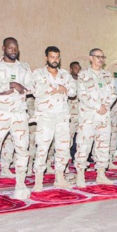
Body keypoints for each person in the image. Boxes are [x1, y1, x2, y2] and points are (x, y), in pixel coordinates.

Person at [0, 37, 33, 199]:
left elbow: (31, 87)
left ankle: (20, 185)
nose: (13, 50)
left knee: (22, 150)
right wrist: (9, 86)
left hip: (19, 113)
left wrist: (16, 88)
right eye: (10, 47)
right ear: (3, 48)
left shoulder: (24, 67)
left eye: (15, 47)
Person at [31, 46, 76, 191]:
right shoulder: (38, 73)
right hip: (46, 117)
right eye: (52, 57)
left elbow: (74, 91)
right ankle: (38, 180)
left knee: (62, 148)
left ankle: (60, 178)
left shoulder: (65, 75)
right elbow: (33, 90)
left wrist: (65, 89)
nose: (55, 60)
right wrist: (53, 87)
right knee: (42, 148)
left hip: (62, 116)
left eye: (57, 57)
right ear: (46, 58)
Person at [74, 48, 117, 186]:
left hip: (104, 117)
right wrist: (98, 106)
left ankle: (101, 174)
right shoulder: (83, 75)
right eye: (97, 56)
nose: (100, 59)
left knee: (103, 145)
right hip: (88, 117)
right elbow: (82, 94)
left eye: (102, 57)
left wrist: (106, 105)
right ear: (90, 58)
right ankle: (80, 175)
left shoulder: (108, 76)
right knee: (84, 145)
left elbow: (113, 94)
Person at [68, 61, 81, 159]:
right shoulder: (67, 80)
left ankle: (77, 156)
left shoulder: (82, 81)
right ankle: (67, 156)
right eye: (75, 68)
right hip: (71, 114)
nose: (78, 70)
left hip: (81, 114)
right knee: (69, 136)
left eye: (78, 68)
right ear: (71, 69)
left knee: (80, 137)